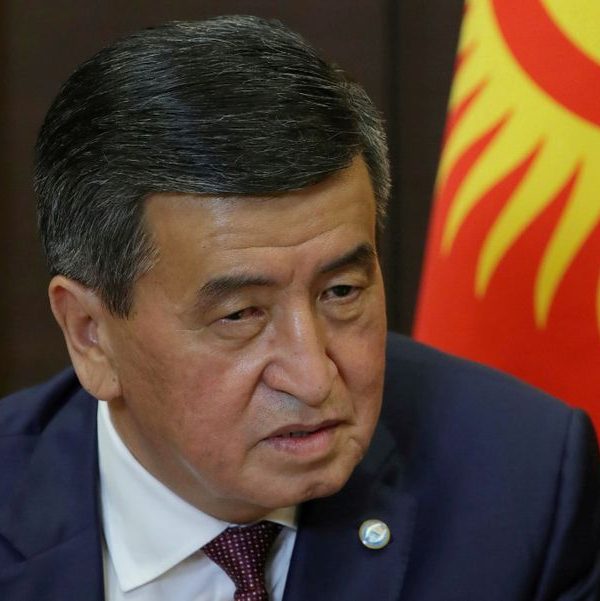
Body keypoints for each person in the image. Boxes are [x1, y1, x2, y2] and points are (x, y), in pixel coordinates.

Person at [0, 15, 598, 601]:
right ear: (91, 334)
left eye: (341, 292)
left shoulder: (523, 484)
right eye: (241, 315)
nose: (314, 379)